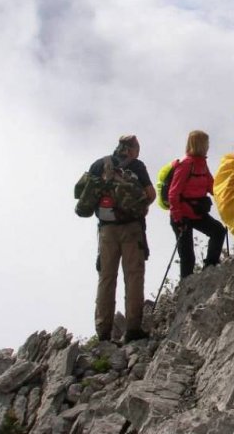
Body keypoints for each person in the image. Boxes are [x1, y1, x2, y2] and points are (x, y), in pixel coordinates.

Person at [89, 135, 156, 343]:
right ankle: (133, 328)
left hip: (107, 230)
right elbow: (151, 193)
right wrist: (141, 205)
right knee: (133, 276)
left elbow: (87, 195)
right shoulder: (136, 166)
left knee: (107, 277)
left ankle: (103, 331)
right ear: (132, 149)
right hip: (132, 228)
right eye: (137, 148)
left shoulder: (99, 164)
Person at [168, 130, 226, 279]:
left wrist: (227, 196)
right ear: (200, 144)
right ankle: (185, 288)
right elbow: (173, 194)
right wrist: (178, 218)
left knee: (218, 231)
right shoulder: (186, 165)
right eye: (206, 143)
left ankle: (210, 267)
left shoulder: (201, 163)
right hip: (182, 216)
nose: (208, 146)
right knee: (187, 256)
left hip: (197, 213)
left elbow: (211, 186)